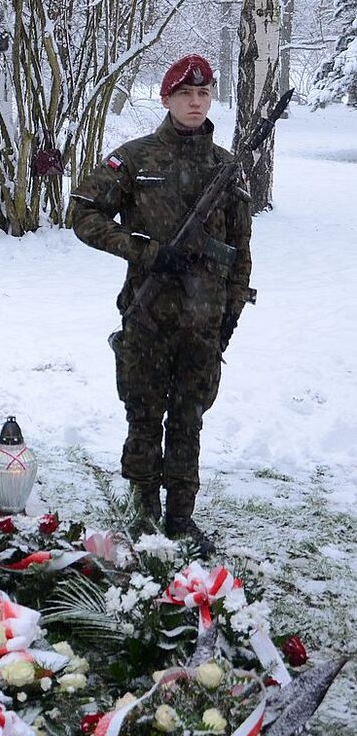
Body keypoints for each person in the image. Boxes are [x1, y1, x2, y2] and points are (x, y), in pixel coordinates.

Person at [69, 55, 253, 553]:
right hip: (148, 315)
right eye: (185, 94)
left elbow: (240, 252)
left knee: (189, 418)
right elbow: (84, 212)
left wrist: (230, 312)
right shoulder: (136, 158)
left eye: (204, 94)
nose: (196, 103)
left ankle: (181, 517)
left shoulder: (226, 168)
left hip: (202, 320)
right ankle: (143, 510)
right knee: (144, 414)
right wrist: (145, 251)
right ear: (167, 98)